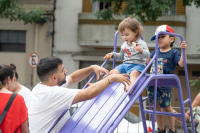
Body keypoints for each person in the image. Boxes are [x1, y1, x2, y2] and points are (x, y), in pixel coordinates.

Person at [28, 56, 130, 133]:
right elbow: (88, 93)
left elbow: (73, 78)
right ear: (54, 77)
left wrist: (91, 68)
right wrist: (111, 78)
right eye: (62, 70)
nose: (66, 71)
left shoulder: (42, 87)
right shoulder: (51, 93)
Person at [146, 25, 187, 133]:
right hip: (152, 83)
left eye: (162, 36)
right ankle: (161, 129)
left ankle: (172, 129)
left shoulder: (174, 52)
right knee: (156, 108)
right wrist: (143, 51)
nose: (159, 39)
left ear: (171, 39)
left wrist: (183, 50)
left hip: (164, 84)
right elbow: (147, 63)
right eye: (157, 37)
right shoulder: (155, 52)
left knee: (167, 107)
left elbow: (182, 64)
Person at [104, 17, 150, 93]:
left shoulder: (141, 43)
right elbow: (121, 56)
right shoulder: (124, 44)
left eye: (126, 34)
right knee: (112, 72)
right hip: (125, 65)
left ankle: (130, 88)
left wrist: (140, 50)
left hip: (137, 66)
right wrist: (113, 55)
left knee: (134, 73)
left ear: (135, 32)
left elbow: (147, 55)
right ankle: (99, 85)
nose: (124, 37)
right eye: (122, 35)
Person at [0, 64, 28, 133]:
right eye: (14, 80)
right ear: (9, 79)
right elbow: (25, 130)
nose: (14, 83)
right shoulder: (18, 99)